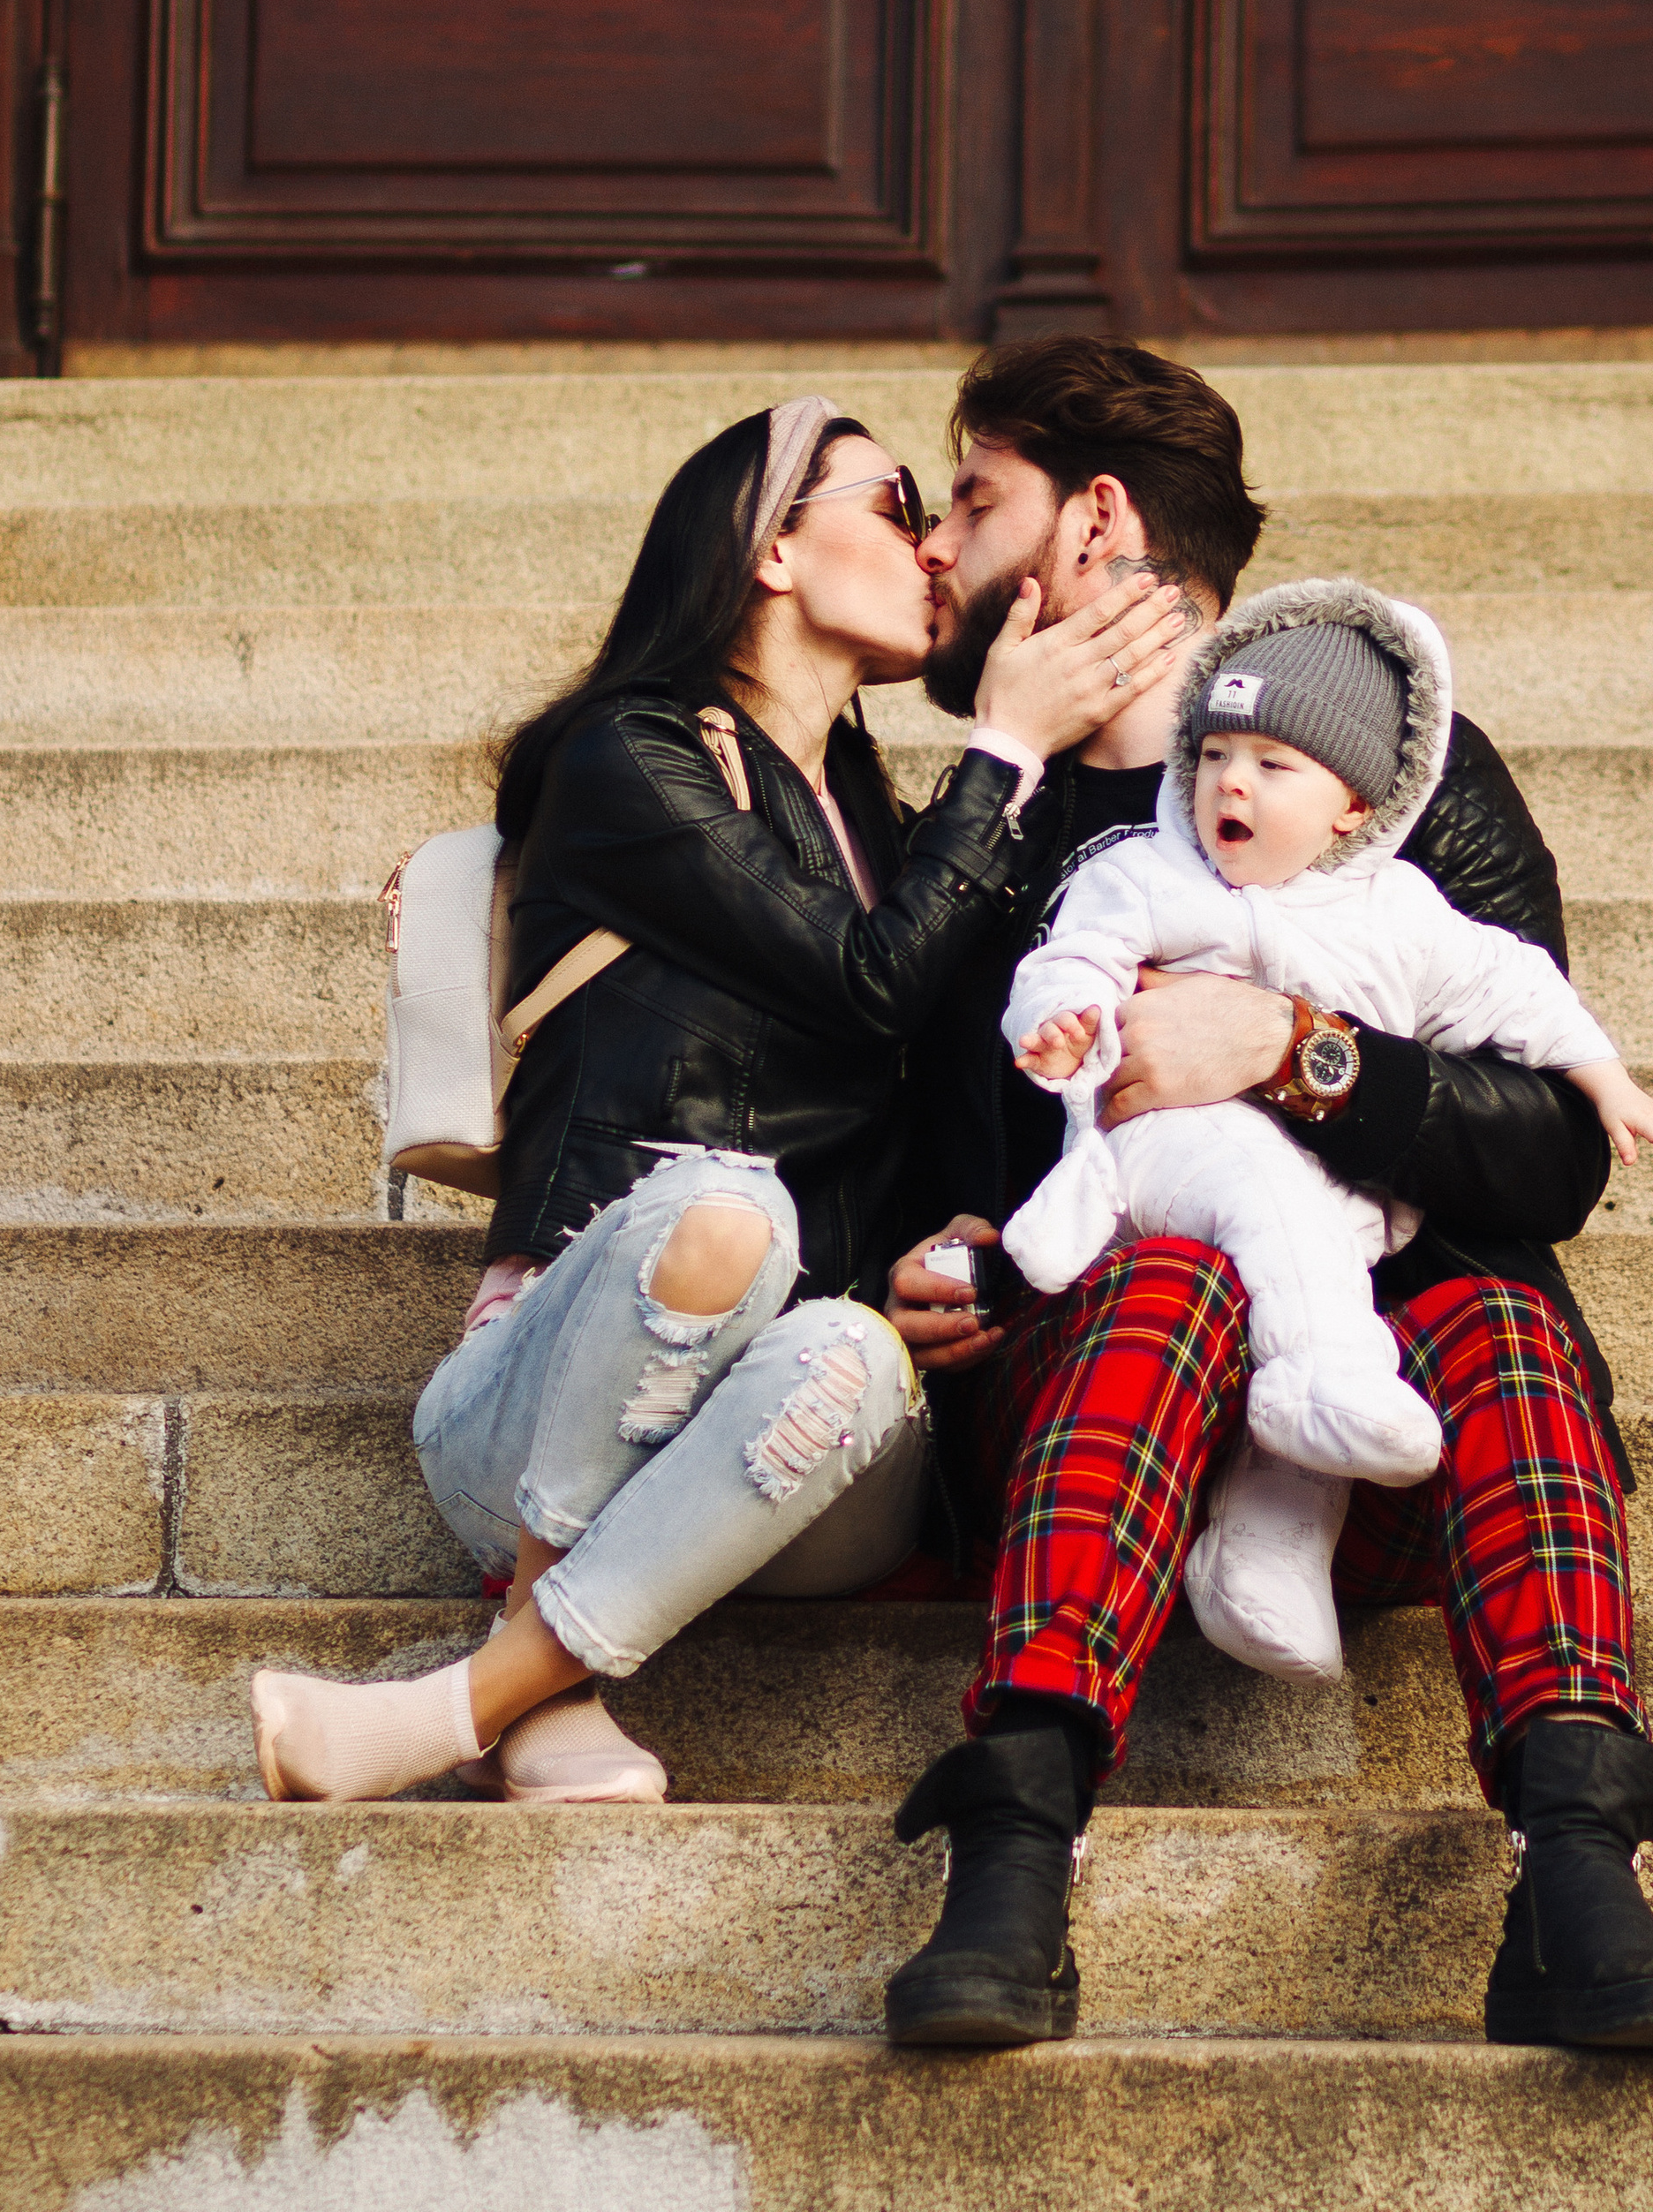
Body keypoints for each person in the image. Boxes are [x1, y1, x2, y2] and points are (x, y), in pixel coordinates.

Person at [879, 337, 1653, 2058]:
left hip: (1394, 1426)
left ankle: (1574, 1874)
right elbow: (873, 1107)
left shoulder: (1400, 791)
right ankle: (1008, 1857)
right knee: (1167, 1275)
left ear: (1090, 521)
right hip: (1094, 1417)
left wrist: (1290, 1049)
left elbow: (1547, 1151)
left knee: (1492, 1312)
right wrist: (909, 1255)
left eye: (973, 501)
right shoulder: (993, 833)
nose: (935, 551)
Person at [248, 392, 1189, 1808]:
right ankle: (534, 1677)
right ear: (772, 551)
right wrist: (1003, 753)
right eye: (895, 507)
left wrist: (920, 1269)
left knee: (860, 1353)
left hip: (782, 1453)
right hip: (545, 1400)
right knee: (720, 1207)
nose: (936, 551)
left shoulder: (881, 814)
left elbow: (919, 1063)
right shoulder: (628, 758)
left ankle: (470, 1701)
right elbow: (870, 981)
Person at [1000, 578, 1653, 1684]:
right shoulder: (1145, 871)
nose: (1232, 781)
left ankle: (1267, 1566)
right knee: (1262, 1235)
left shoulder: (1396, 910)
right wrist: (1061, 1022)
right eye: (1216, 754)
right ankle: (1035, 1759)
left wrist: (1605, 1081)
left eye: (1274, 767)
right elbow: (1071, 958)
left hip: (1339, 1226)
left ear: (1353, 806)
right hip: (1169, 1184)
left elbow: (1512, 992)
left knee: (1340, 1279)